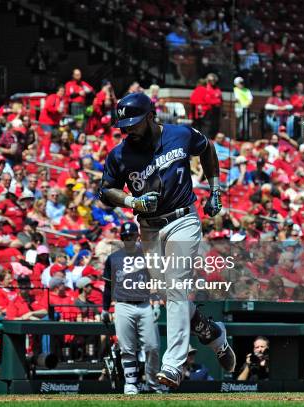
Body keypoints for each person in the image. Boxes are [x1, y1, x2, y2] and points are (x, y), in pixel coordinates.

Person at [99, 92, 235, 389]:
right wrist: (131, 202)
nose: (127, 130)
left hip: (183, 219)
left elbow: (207, 149)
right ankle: (209, 331)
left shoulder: (180, 134)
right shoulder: (120, 154)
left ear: (151, 115)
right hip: (149, 228)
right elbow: (105, 191)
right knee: (170, 292)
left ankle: (173, 364)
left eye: (133, 123)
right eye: (124, 125)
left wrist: (214, 189)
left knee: (175, 286)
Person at [101, 222, 161, 394]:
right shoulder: (113, 258)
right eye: (125, 236)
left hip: (144, 305)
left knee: (152, 347)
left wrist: (156, 303)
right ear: (122, 238)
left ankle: (152, 383)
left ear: (137, 236)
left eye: (131, 236)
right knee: (127, 348)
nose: (129, 239)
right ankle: (131, 384)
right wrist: (105, 309)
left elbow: (155, 281)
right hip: (123, 305)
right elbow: (107, 287)